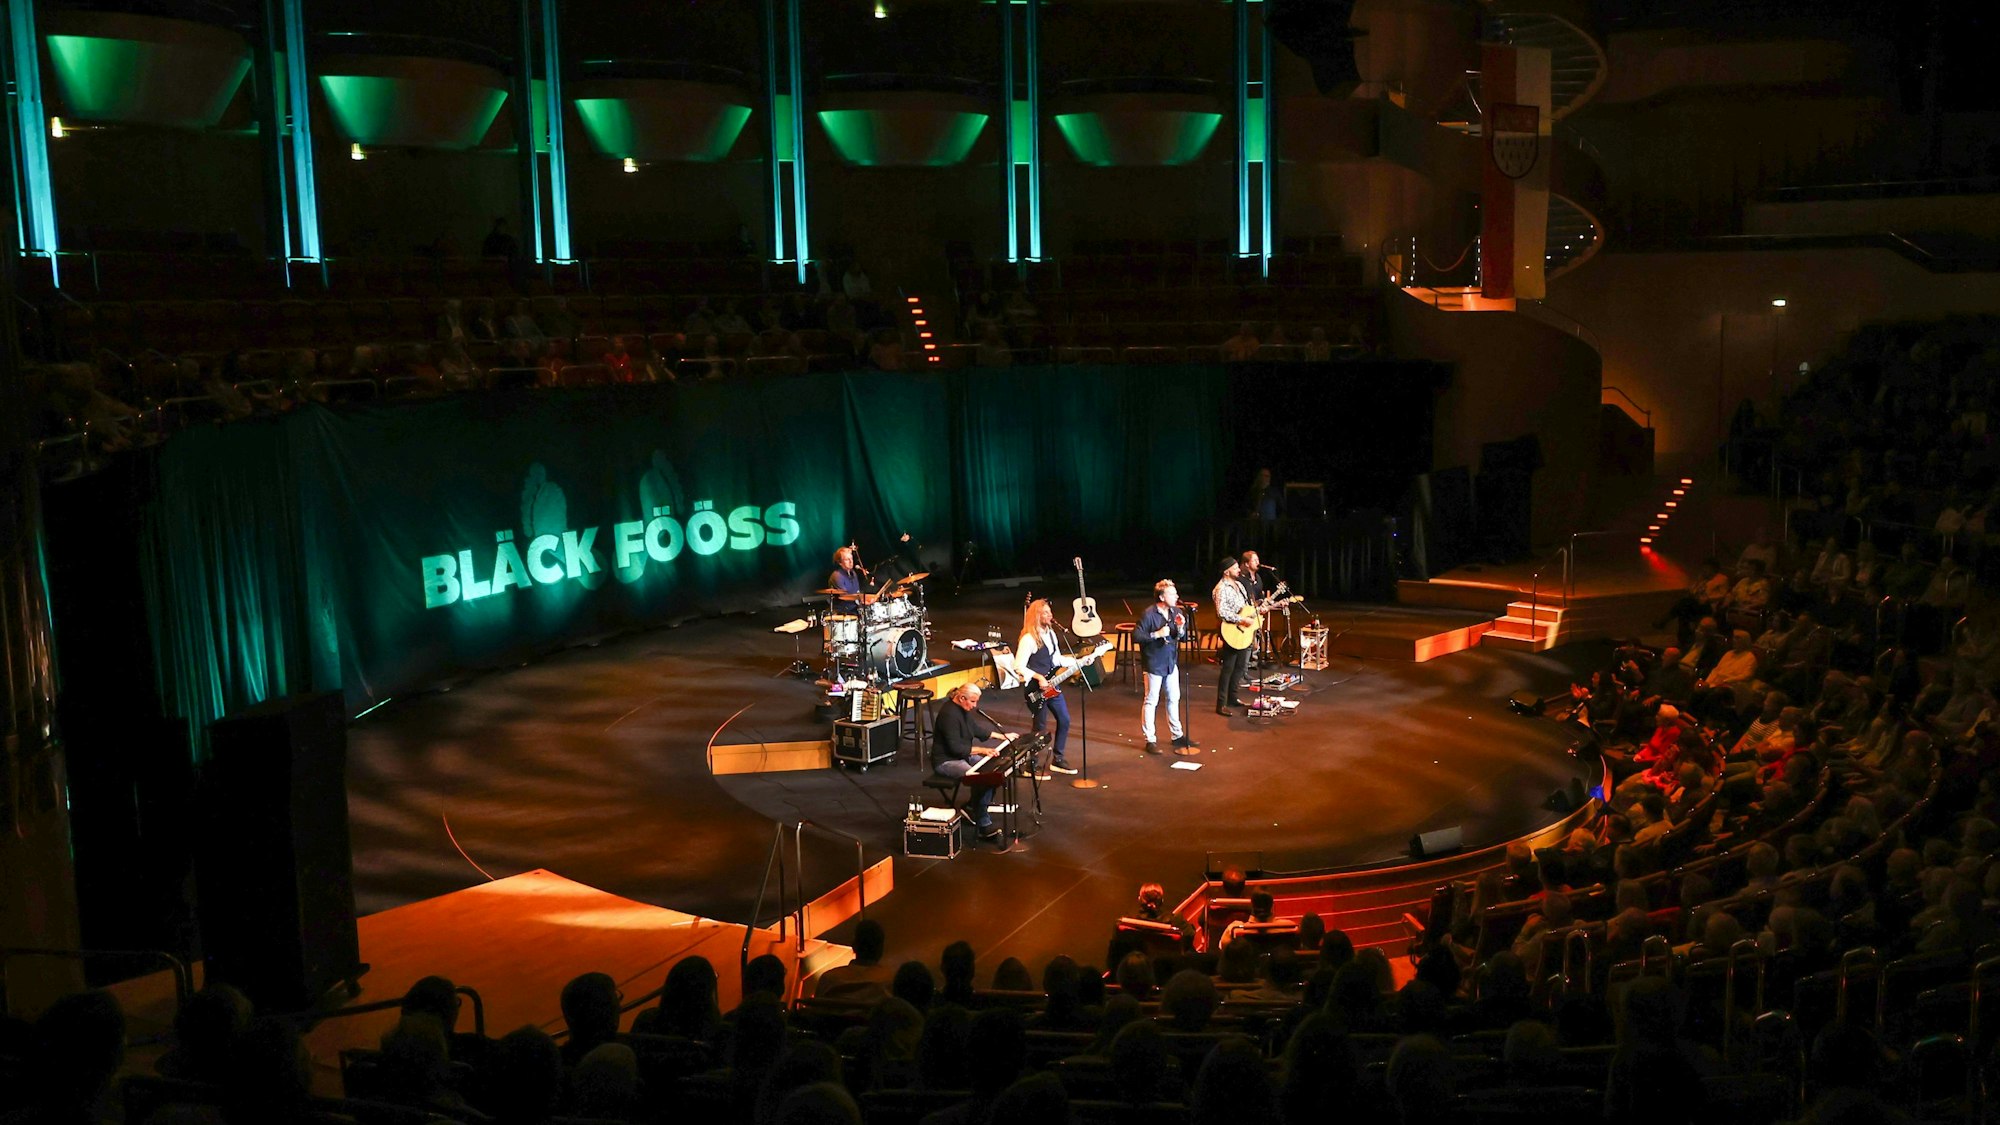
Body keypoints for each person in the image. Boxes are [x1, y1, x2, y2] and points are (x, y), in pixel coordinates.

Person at [932, 683, 1010, 840]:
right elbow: (956, 748)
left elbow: (975, 729)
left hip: (962, 756)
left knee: (993, 772)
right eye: (973, 701)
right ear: (962, 698)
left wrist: (1002, 736)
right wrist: (982, 750)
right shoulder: (949, 715)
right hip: (947, 761)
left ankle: (972, 806)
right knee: (982, 779)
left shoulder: (962, 710)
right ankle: (983, 823)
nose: (975, 706)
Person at [1011, 598, 1079, 777]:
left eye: (1050, 612)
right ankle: (1030, 764)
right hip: (1036, 688)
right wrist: (1039, 677)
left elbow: (1056, 660)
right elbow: (1018, 665)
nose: (1050, 616)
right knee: (1039, 727)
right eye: (1046, 613)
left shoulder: (1051, 634)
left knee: (1064, 719)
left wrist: (1077, 661)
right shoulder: (1029, 639)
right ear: (1037, 616)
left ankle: (1058, 759)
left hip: (1051, 686)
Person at [1137, 579, 1198, 756]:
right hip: (1154, 662)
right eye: (1172, 593)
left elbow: (1182, 637)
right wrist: (1156, 634)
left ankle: (1177, 735)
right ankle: (1150, 739)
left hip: (1171, 661)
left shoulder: (1176, 612)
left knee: (1174, 697)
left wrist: (1180, 627)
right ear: (1162, 597)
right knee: (1151, 700)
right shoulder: (1149, 614)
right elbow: (1137, 636)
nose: (1176, 596)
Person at [1214, 558, 1254, 715]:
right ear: (1226, 571)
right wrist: (1241, 620)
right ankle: (1221, 703)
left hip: (1242, 631)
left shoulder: (1239, 585)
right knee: (1228, 668)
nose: (1239, 569)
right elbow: (1221, 612)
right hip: (1231, 631)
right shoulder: (1221, 588)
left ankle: (1233, 697)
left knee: (1241, 666)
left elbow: (1245, 607)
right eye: (1235, 567)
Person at [827, 544, 869, 617]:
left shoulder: (853, 573)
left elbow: (857, 592)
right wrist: (861, 598)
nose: (850, 561)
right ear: (840, 562)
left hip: (855, 610)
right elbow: (845, 596)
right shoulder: (837, 576)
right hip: (844, 613)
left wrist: (865, 600)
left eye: (851, 558)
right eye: (847, 559)